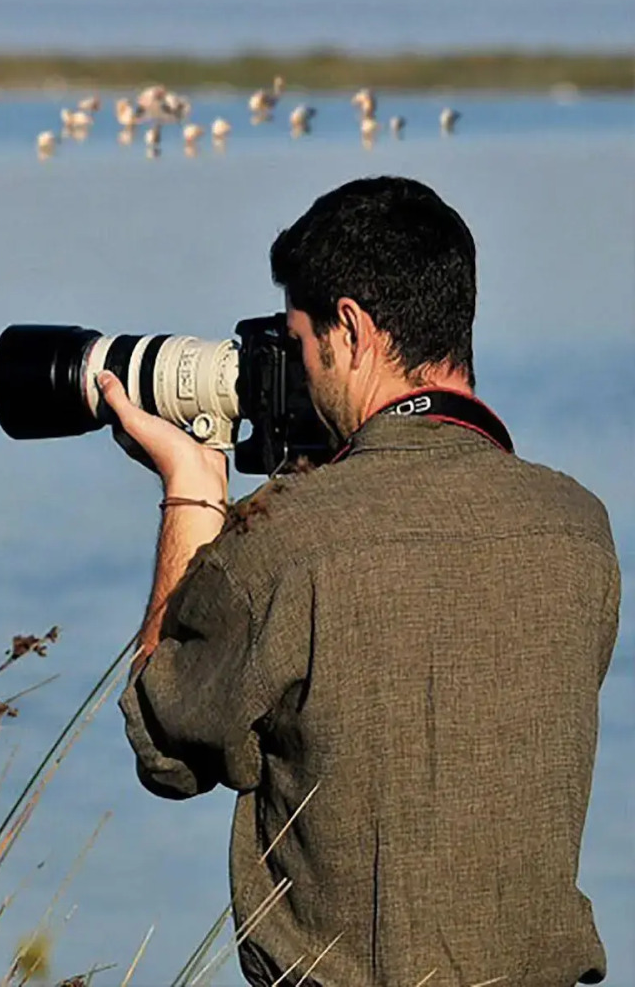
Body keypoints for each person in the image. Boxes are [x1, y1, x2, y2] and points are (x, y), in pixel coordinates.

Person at [103, 176, 620, 986]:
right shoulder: (578, 527)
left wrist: (191, 491)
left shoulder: (288, 541)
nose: (299, 371)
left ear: (349, 329)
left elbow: (168, 749)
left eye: (300, 343)